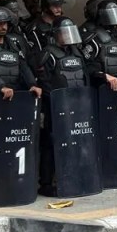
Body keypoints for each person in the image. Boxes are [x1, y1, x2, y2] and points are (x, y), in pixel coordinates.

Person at [37, 17, 89, 196]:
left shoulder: (76, 52)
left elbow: (84, 77)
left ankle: (74, 177)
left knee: (78, 143)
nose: (68, 36)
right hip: (57, 107)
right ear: (55, 34)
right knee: (52, 145)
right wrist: (55, 100)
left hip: (78, 106)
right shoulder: (48, 53)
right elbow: (43, 81)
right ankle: (47, 183)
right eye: (64, 33)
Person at [0, 6, 41, 102]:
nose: (3, 27)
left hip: (16, 93)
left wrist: (32, 85)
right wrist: (2, 87)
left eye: (5, 23)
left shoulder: (14, 43)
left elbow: (23, 66)